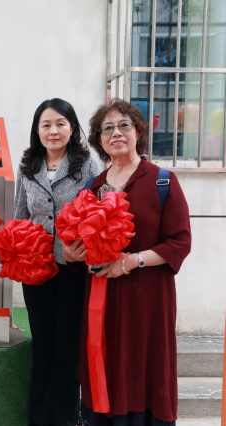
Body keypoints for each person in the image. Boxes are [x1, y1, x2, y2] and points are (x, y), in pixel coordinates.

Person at [78, 99, 191, 425]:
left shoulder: (162, 181)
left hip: (147, 304)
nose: (116, 133)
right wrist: (74, 253)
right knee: (105, 368)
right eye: (107, 128)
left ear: (139, 132)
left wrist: (131, 261)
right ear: (99, 140)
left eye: (124, 125)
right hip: (103, 300)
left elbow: (180, 242)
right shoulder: (92, 188)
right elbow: (83, 244)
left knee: (144, 369)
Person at [14, 98, 102, 426]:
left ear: (72, 128)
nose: (53, 131)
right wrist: (17, 254)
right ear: (37, 130)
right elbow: (20, 215)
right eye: (46, 125)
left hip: (73, 270)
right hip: (36, 269)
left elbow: (98, 213)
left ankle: (65, 418)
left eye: (60, 124)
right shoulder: (28, 166)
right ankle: (39, 418)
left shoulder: (87, 165)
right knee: (43, 345)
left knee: (67, 348)